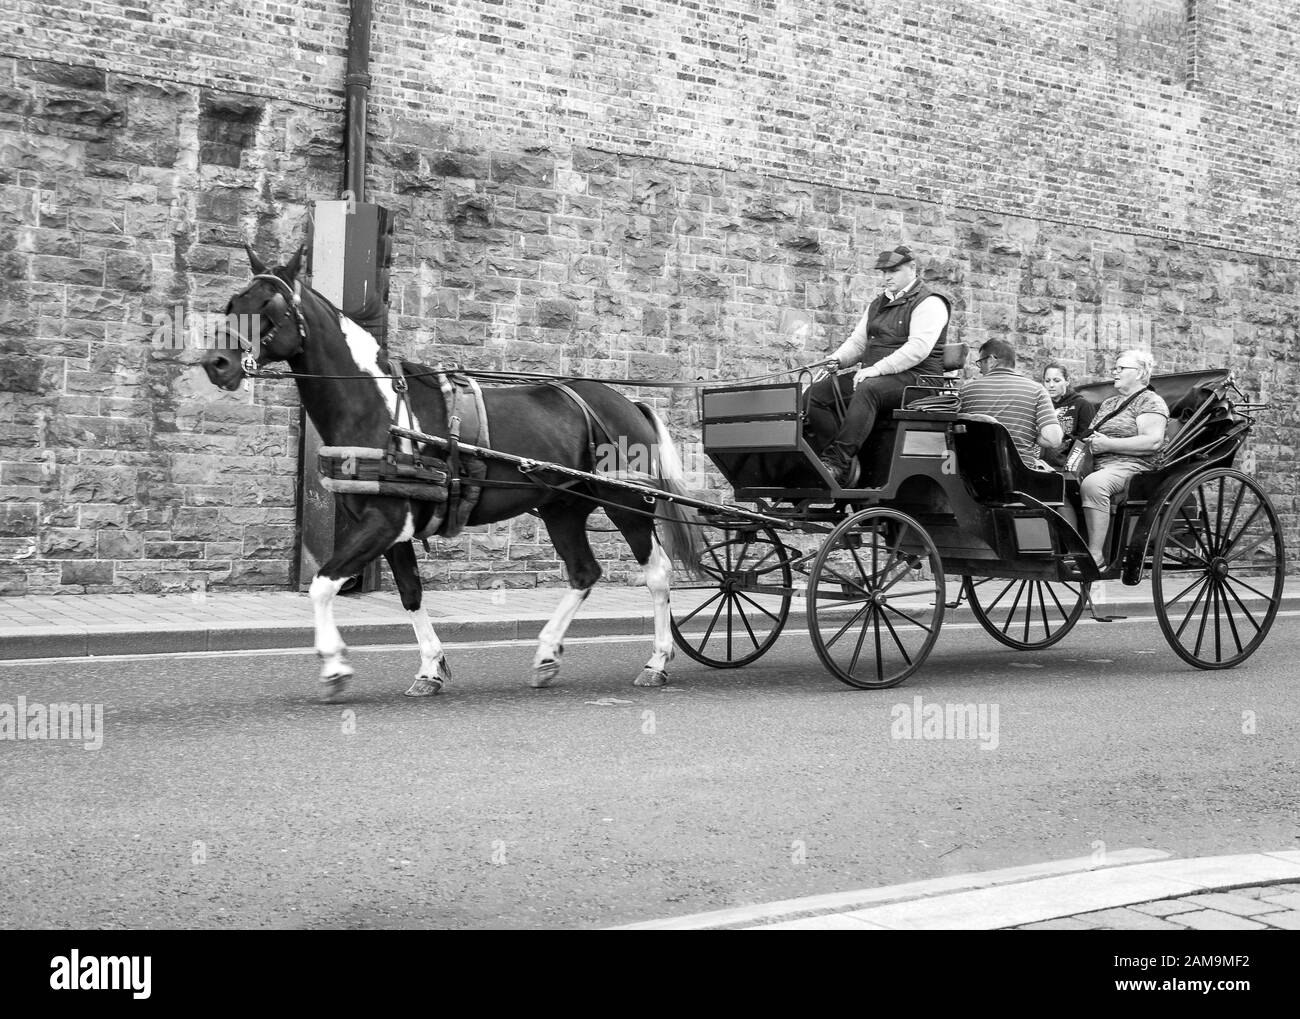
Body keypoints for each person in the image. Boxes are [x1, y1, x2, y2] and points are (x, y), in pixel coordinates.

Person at [807, 245, 952, 485]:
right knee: (816, 394)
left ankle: (838, 462)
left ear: (912, 269)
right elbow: (858, 343)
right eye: (884, 272)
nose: (887, 277)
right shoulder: (877, 303)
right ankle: (840, 460)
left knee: (869, 388)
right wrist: (837, 360)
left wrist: (876, 369)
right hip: (877, 377)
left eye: (893, 270)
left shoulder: (930, 303)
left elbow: (917, 350)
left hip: (918, 381)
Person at [1079, 350, 1168, 567]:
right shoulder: (1109, 404)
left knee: (1094, 485)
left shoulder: (1150, 401)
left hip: (1132, 467)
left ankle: (1096, 555)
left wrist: (1108, 444)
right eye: (1115, 368)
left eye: (1121, 368)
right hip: (1098, 463)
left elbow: (1152, 442)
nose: (1115, 373)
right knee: (1056, 483)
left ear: (1139, 373)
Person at [957, 339, 1062, 467]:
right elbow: (1054, 440)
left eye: (981, 363)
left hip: (973, 473)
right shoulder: (1037, 390)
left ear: (991, 360)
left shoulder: (965, 391)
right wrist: (1031, 434)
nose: (980, 370)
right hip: (1019, 475)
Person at [1039, 361, 1095, 470]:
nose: (1051, 385)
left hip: (1067, 464)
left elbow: (1085, 439)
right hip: (1038, 462)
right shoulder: (1041, 405)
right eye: (1047, 381)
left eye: (1056, 381)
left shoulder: (1082, 405)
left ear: (1067, 381)